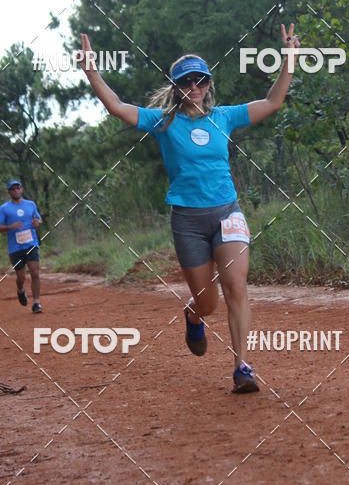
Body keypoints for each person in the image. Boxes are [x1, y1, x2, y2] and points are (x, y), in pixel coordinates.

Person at [77, 25, 301, 394]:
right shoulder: (163, 122)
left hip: (227, 212)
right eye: (185, 82)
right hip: (188, 221)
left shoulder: (225, 117)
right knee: (207, 302)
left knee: (236, 287)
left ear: (208, 84)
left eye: (199, 80)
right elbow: (116, 107)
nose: (193, 87)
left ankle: (242, 365)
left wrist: (289, 60)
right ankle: (193, 315)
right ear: (176, 87)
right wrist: (91, 71)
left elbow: (273, 102)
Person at [0, 179, 43, 313]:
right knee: (21, 277)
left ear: (21, 190)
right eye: (13, 189)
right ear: (9, 192)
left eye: (18, 188)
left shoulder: (30, 204)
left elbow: (39, 219)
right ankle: (20, 290)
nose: (16, 191)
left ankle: (36, 303)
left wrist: (37, 223)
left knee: (35, 272)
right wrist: (11, 226)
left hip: (31, 243)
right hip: (15, 248)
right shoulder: (4, 208)